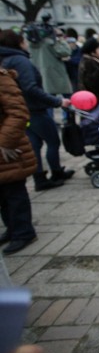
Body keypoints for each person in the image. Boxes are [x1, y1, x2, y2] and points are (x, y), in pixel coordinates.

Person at [0, 30, 74, 191]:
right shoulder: (20, 60)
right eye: (24, 41)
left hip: (27, 110)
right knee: (53, 141)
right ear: (18, 42)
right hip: (34, 110)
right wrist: (57, 101)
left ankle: (39, 177)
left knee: (35, 144)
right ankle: (56, 172)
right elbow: (30, 88)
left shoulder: (6, 60)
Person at [0, 68, 38, 254]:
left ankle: (23, 232)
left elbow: (18, 113)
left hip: (8, 147)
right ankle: (12, 229)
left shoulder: (2, 79)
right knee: (3, 193)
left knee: (14, 191)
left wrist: (5, 141)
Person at [78, 37, 99, 103]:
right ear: (93, 52)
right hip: (96, 101)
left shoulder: (95, 60)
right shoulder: (88, 62)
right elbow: (91, 83)